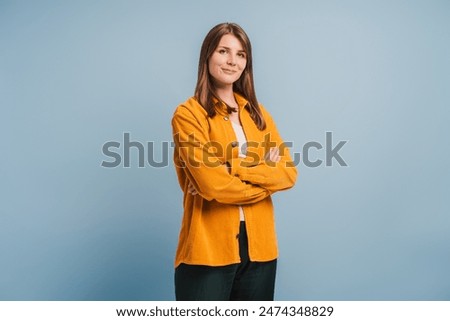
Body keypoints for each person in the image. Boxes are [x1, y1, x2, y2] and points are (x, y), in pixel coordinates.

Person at [171, 22, 297, 301]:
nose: (232, 61)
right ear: (207, 56)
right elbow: (212, 185)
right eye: (223, 51)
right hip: (207, 252)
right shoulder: (188, 114)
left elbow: (288, 174)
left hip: (261, 250)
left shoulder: (258, 114)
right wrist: (264, 178)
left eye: (240, 54)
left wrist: (233, 165)